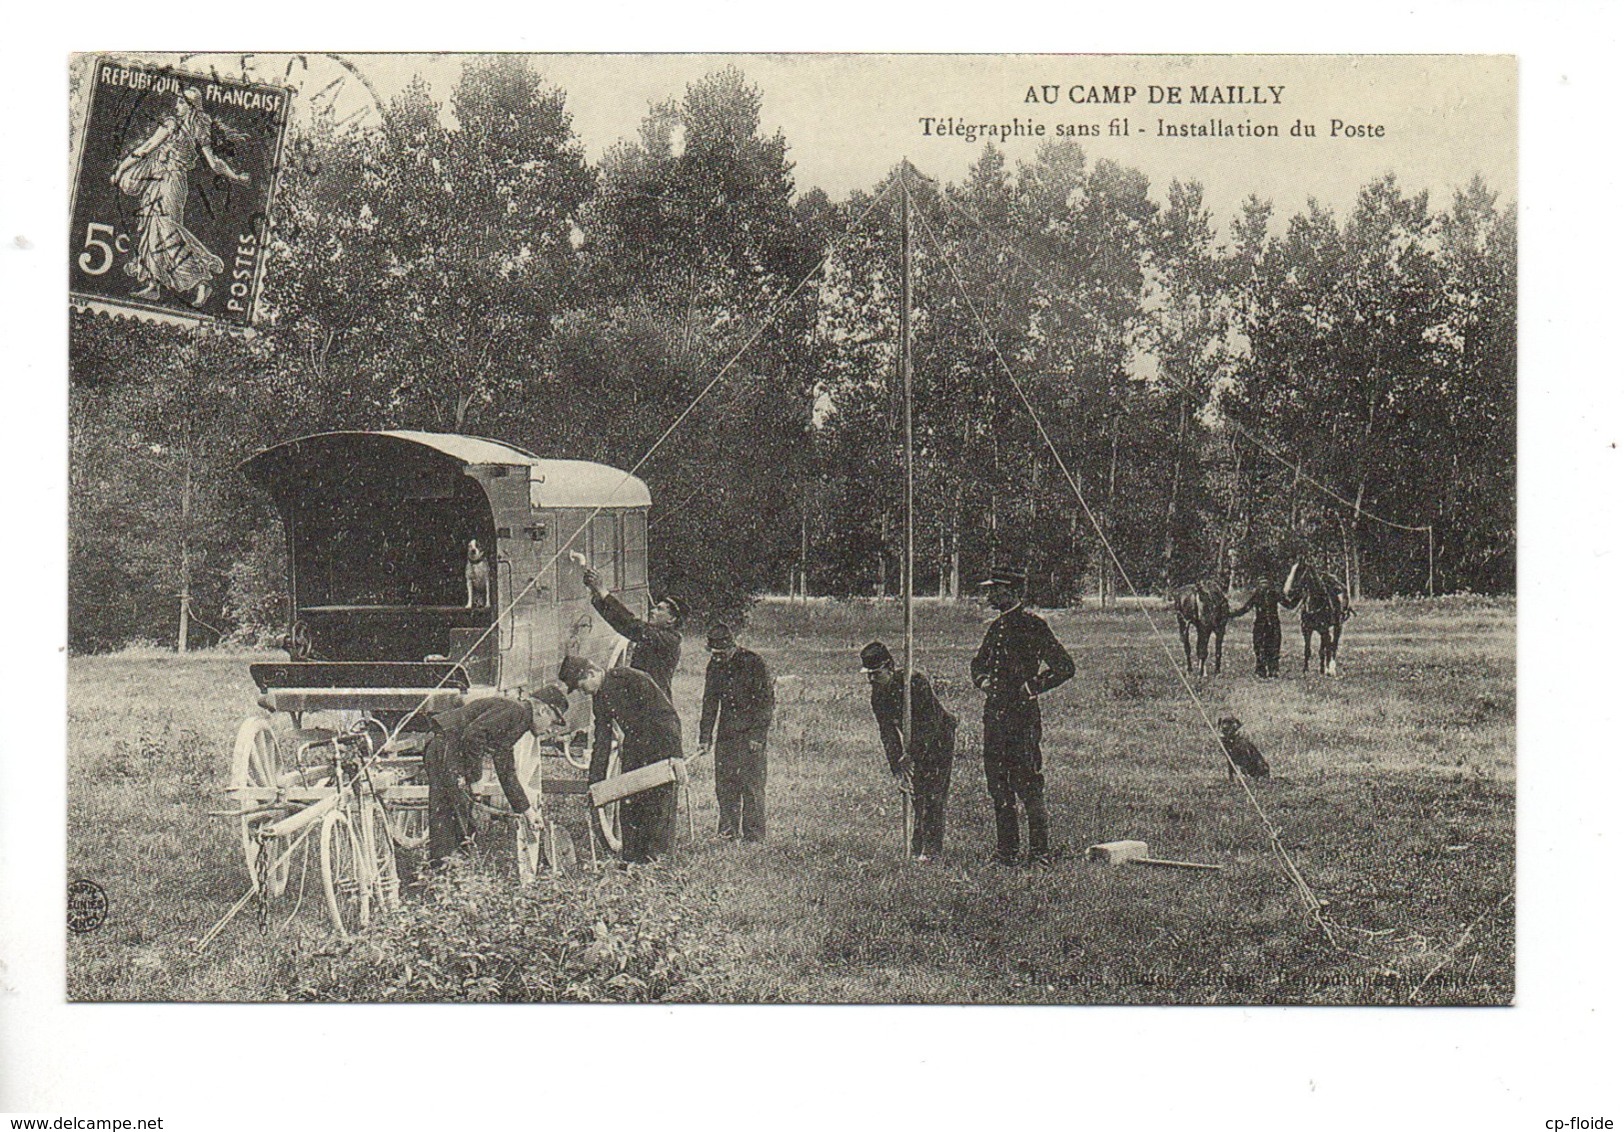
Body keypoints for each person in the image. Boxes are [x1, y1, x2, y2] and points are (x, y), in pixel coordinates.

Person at [969, 566, 1076, 866]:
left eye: (995, 589)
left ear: (1012, 591)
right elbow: (977, 663)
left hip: (1022, 719)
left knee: (1028, 784)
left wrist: (1031, 687)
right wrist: (982, 680)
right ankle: (1007, 853)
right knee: (998, 786)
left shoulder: (1033, 626)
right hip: (994, 718)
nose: (990, 594)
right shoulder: (996, 628)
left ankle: (1040, 854)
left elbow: (1065, 667)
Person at [111, 88, 250, 308]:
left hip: (170, 182)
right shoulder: (196, 128)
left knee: (166, 230)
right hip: (164, 181)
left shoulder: (174, 125)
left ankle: (200, 280)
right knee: (151, 229)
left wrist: (121, 169)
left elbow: (145, 149)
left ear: (190, 106)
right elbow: (214, 164)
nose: (177, 106)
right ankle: (153, 285)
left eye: (181, 103)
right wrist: (237, 177)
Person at [558, 655, 685, 864]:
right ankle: (632, 858)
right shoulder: (599, 698)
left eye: (582, 687)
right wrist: (595, 782)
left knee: (659, 806)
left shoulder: (630, 678)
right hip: (635, 750)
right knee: (631, 805)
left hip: (660, 747)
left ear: (591, 673)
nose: (583, 692)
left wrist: (676, 755)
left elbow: (667, 715)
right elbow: (602, 740)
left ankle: (657, 861)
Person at [424, 687, 569, 868]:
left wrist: (528, 812)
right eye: (552, 722)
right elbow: (473, 735)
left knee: (457, 814)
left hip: (448, 747)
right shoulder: (515, 712)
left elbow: (506, 770)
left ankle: (448, 871)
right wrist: (476, 778)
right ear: (542, 711)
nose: (550, 730)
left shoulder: (518, 720)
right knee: (450, 814)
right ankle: (443, 874)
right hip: (445, 745)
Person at [861, 641, 958, 862]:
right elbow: (888, 734)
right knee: (916, 792)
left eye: (876, 674)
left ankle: (932, 851)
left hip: (938, 737)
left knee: (933, 792)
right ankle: (917, 846)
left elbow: (929, 723)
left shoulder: (914, 682)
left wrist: (912, 755)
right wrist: (898, 768)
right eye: (868, 675)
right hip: (913, 744)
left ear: (890, 667)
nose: (871, 680)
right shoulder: (877, 696)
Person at [698, 624, 775, 842]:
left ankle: (754, 835)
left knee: (751, 786)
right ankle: (727, 832)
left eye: (722, 654)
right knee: (725, 784)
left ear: (732, 646)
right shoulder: (714, 666)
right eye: (715, 654)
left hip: (750, 734)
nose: (718, 658)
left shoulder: (754, 663)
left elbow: (766, 703)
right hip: (727, 734)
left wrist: (758, 737)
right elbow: (710, 702)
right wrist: (705, 737)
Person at [583, 568, 683, 703]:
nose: (653, 611)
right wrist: (597, 595)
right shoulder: (657, 635)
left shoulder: (669, 640)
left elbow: (631, 625)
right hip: (644, 697)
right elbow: (623, 626)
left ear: (671, 619)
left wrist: (603, 592)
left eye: (659, 609)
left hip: (655, 703)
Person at [1232, 577, 1285, 678]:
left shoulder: (1273, 594)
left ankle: (1271, 669)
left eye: (1265, 584)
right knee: (1260, 647)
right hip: (1262, 626)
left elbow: (1288, 604)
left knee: (1273, 646)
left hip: (1270, 625)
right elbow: (1246, 608)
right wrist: (1232, 614)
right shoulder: (1259, 595)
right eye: (1262, 585)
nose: (1264, 587)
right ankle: (1263, 669)